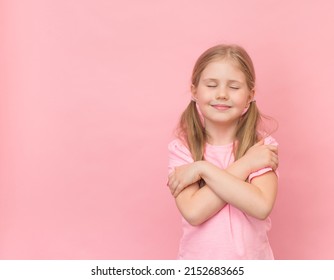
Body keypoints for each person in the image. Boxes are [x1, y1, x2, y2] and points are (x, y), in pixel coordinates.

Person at [167, 44, 279, 259]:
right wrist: (246, 164)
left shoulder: (262, 148)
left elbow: (261, 205)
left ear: (250, 95)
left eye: (234, 87)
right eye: (211, 85)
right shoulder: (182, 149)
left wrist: (202, 170)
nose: (222, 94)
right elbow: (194, 212)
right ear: (194, 91)